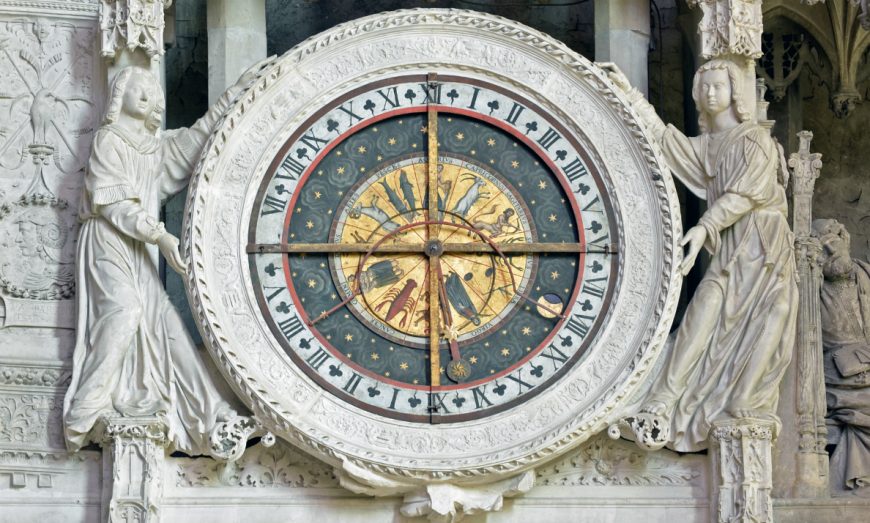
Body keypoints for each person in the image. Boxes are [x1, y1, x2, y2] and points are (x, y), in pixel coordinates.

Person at [63, 62, 267, 455]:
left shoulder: (154, 148)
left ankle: (213, 417)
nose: (149, 96)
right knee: (124, 312)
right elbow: (115, 204)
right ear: (119, 96)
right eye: (139, 90)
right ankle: (83, 413)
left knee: (166, 325)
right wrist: (161, 237)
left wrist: (237, 93)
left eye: (152, 92)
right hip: (108, 243)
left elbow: (197, 139)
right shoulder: (109, 140)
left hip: (137, 246)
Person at [601, 59, 798, 451]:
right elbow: (662, 140)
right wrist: (628, 93)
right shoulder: (707, 147)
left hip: (765, 243)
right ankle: (660, 402)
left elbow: (745, 193)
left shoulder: (753, 138)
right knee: (703, 312)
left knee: (771, 316)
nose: (710, 93)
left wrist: (705, 226)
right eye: (704, 87)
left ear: (734, 92)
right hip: (731, 247)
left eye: (718, 86)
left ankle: (742, 399)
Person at [812, 218, 870, 493]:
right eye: (822, 249)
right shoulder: (811, 289)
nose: (831, 251)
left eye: (834, 241)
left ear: (845, 239)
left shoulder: (865, 275)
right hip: (838, 375)